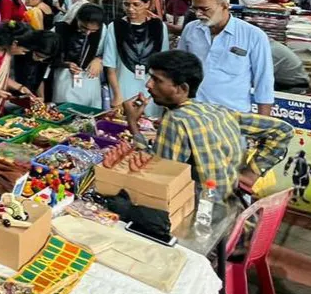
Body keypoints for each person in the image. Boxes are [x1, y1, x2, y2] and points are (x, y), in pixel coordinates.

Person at [121, 51, 293, 192]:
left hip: (199, 209)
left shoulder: (176, 120)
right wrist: (252, 173)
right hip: (229, 202)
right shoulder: (217, 111)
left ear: (182, 88)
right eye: (150, 78)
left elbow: (161, 175)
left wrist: (133, 124)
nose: (148, 85)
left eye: (157, 80)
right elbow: (283, 130)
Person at [180, 0, 275, 115]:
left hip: (232, 116)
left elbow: (264, 80)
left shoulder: (253, 35)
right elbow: (179, 70)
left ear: (225, 6)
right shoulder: (191, 30)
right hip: (193, 113)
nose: (198, 14)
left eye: (204, 9)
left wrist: (263, 124)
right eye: (194, 8)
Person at [104, 0, 169, 117]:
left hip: (151, 87)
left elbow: (164, 64)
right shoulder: (115, 27)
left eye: (136, 4)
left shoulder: (159, 27)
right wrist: (117, 95)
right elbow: (110, 66)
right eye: (126, 4)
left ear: (147, 4)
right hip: (123, 86)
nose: (130, 9)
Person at [52, 4, 105, 109]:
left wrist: (99, 59)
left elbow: (108, 51)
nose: (88, 32)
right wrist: (64, 64)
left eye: (93, 30)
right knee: (64, 109)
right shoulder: (59, 29)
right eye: (84, 27)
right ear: (77, 19)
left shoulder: (103, 31)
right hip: (65, 77)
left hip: (89, 76)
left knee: (90, 109)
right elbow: (47, 56)